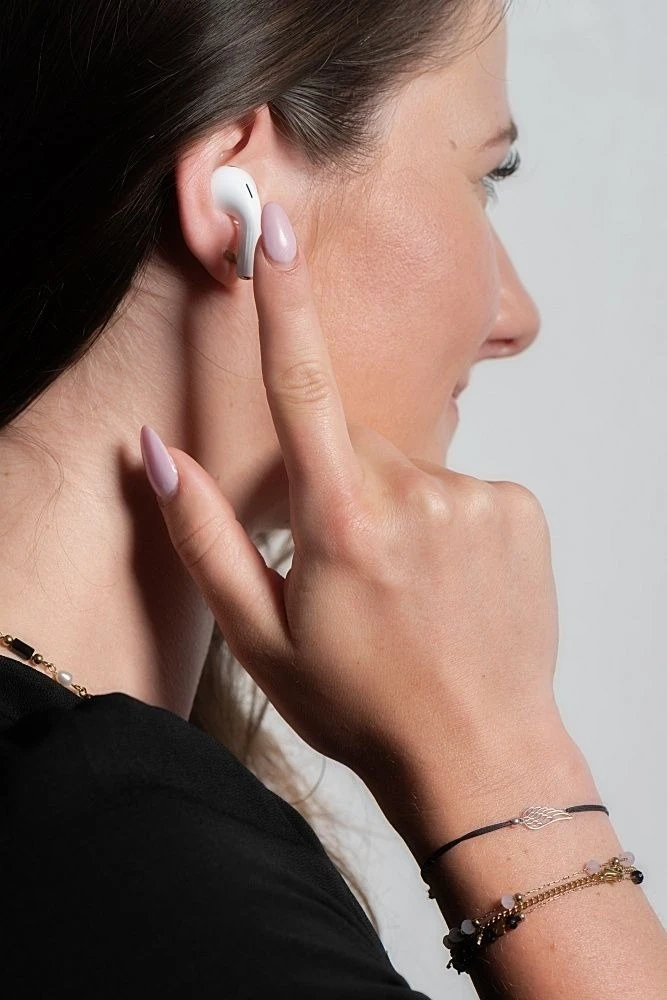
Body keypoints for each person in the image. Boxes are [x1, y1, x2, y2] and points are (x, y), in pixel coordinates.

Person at [0, 0, 665, 996]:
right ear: (238, 194)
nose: (516, 319)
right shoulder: (133, 868)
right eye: (485, 175)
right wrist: (506, 770)